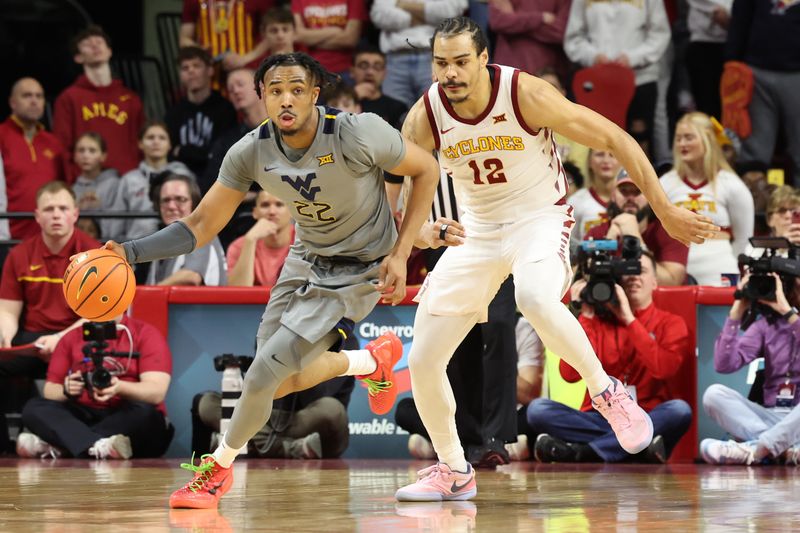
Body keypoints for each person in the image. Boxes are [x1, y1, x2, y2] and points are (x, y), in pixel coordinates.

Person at [393, 17, 715, 502]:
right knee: (422, 359)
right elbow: (404, 210)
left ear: (484, 60)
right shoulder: (424, 116)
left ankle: (607, 393)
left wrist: (665, 209)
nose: (451, 73)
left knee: (535, 297)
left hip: (539, 219)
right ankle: (454, 470)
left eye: (461, 62)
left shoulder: (526, 94)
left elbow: (617, 140)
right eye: (442, 63)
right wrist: (422, 237)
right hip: (476, 231)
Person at [104, 52, 440, 508]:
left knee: (262, 374)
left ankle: (218, 472)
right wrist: (129, 251)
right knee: (275, 382)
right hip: (305, 256)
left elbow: (426, 169)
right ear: (261, 96)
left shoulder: (358, 131)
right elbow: (202, 225)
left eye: (297, 90)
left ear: (314, 95)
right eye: (275, 90)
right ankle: (369, 363)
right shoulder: (250, 151)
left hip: (359, 266)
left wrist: (402, 253)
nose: (286, 99)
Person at [527, 253, 693, 464]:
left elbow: (664, 368)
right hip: (600, 418)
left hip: (646, 416)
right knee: (538, 410)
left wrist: (629, 319)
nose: (633, 278)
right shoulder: (595, 321)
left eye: (639, 271)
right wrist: (585, 317)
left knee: (679, 410)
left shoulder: (670, 323)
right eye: (626, 274)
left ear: (655, 281)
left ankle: (583, 452)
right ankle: (637, 450)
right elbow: (568, 375)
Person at [0, 182, 99, 451]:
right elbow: (8, 309)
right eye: (49, 209)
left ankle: (81, 442)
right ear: (37, 216)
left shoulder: (95, 255)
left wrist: (60, 339)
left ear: (75, 214)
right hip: (33, 342)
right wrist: (6, 335)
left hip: (78, 338)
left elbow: (99, 312)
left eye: (63, 208)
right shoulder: (19, 255)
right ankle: (4, 447)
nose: (56, 215)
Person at [17, 313, 173, 459]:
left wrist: (119, 388)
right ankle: (98, 446)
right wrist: (67, 390)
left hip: (125, 415)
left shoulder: (145, 333)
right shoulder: (72, 337)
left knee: (147, 415)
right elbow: (50, 390)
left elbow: (156, 392)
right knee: (34, 407)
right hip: (83, 413)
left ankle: (64, 446)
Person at [700, 271, 800, 466]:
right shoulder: (766, 326)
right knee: (713, 395)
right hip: (771, 416)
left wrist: (789, 313)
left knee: (709, 448)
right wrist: (738, 308)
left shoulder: (789, 317)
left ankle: (756, 450)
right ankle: (781, 450)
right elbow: (724, 364)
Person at [564, 0, 670, 158]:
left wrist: (633, 57)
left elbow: (660, 34)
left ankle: (639, 182)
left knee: (639, 143)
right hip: (597, 83)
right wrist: (592, 56)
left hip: (639, 80)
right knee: (598, 142)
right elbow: (573, 38)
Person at [660, 112, 754, 286]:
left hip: (719, 269)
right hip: (674, 269)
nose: (682, 144)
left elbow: (744, 239)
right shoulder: (665, 183)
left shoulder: (731, 183)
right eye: (678, 138)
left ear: (708, 140)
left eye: (689, 137)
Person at [53, 25, 144, 180]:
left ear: (109, 51)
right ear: (78, 57)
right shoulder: (68, 98)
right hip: (88, 184)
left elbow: (141, 143)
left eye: (99, 42)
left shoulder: (131, 99)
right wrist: (76, 181)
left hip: (126, 182)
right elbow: (62, 147)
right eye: (87, 44)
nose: (95, 45)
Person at [725, 0, 800, 183]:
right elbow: (740, 21)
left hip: (797, 74)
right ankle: (754, 205)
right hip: (755, 74)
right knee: (754, 150)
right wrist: (732, 64)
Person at [585, 170, 689, 286]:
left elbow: (672, 282)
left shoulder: (670, 231)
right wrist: (608, 241)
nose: (630, 198)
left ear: (650, 197)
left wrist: (635, 239)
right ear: (613, 196)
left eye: (637, 191)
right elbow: (585, 277)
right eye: (624, 191)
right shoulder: (598, 232)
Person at [106, 121, 195, 244]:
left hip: (178, 244)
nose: (156, 142)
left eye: (162, 138)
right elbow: (116, 222)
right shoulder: (129, 180)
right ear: (140, 144)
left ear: (170, 144)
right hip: (135, 247)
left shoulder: (183, 176)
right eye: (150, 137)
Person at [0, 77, 66, 240]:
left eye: (39, 96)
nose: (34, 101)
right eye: (27, 95)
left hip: (49, 236)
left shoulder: (53, 143)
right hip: (9, 235)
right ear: (12, 102)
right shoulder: (1, 135)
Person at [370, 0, 468, 107]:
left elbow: (452, 11)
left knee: (437, 113)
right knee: (394, 115)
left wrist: (404, 5)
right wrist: (425, 17)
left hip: (436, 59)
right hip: (395, 60)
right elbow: (379, 15)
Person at [165, 46, 238, 178]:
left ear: (210, 70)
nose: (190, 71)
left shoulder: (225, 108)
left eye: (196, 66)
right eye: (185, 68)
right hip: (182, 177)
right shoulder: (174, 113)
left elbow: (221, 153)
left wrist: (182, 151)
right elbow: (168, 153)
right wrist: (203, 153)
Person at [146, 174, 227, 287]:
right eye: (165, 200)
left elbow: (191, 276)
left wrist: (150, 293)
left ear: (194, 204)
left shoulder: (200, 232)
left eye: (180, 199)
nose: (171, 206)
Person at [179, 0, 275, 76]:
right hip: (209, 73)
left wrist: (244, 59)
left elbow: (271, 36)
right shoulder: (193, 1)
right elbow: (184, 39)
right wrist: (201, 52)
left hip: (247, 71)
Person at [488, 0, 571, 80]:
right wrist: (540, 18)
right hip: (508, 74)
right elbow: (499, 22)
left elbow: (561, 32)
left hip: (547, 74)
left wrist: (516, 19)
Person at [227, 190, 295, 287]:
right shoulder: (239, 246)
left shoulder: (305, 243)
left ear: (292, 211)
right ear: (255, 213)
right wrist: (250, 240)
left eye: (279, 205)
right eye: (265, 205)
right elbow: (238, 295)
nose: (272, 212)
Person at [291, 0, 366, 76]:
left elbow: (350, 39)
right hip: (309, 69)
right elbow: (298, 35)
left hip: (344, 69)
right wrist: (334, 31)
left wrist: (310, 39)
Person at [71, 132, 119, 239]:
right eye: (81, 150)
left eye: (92, 151)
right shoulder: (72, 190)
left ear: (103, 156)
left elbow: (117, 224)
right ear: (75, 156)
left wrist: (98, 207)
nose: (86, 155)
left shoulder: (114, 184)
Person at [349, 45, 408, 130]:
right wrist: (351, 97)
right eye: (363, 66)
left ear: (384, 73)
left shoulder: (397, 108)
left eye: (377, 67)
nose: (370, 72)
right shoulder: (335, 101)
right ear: (352, 71)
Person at [568, 149, 622, 241]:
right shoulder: (575, 201)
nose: (606, 160)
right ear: (589, 161)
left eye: (612, 155)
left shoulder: (631, 200)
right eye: (600, 154)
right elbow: (570, 244)